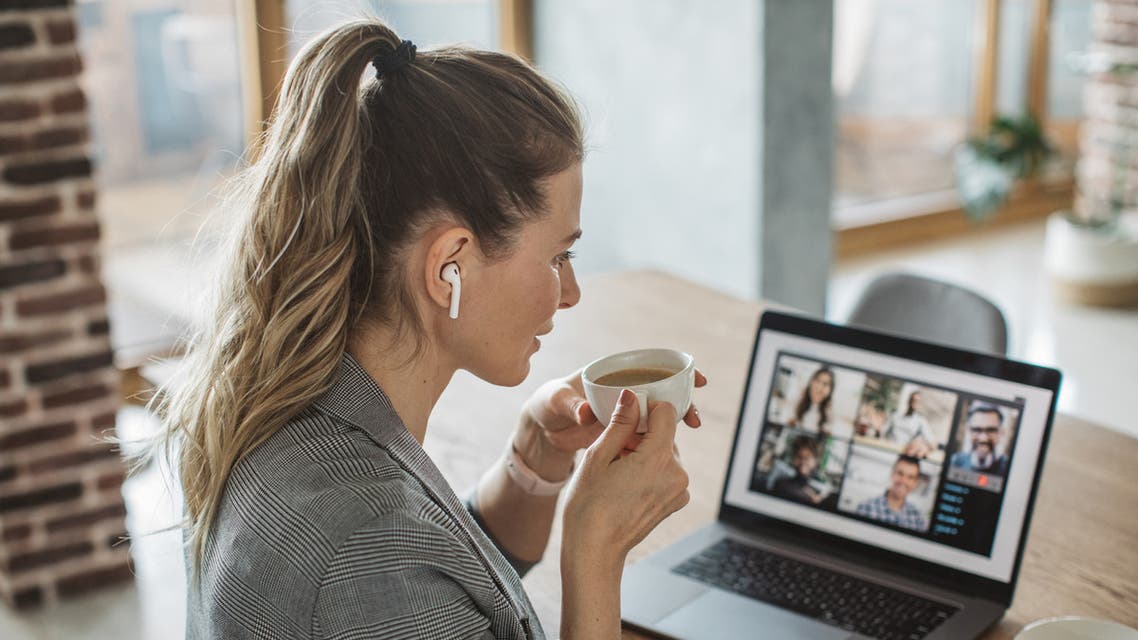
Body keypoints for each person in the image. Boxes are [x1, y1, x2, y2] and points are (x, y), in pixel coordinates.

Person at [154, 20, 706, 640]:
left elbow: (443, 589)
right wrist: (596, 549)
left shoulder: (301, 409)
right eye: (558, 257)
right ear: (450, 267)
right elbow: (388, 573)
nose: (571, 292)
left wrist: (537, 458)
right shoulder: (365, 548)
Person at [855, 455, 927, 531]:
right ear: (892, 474)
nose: (903, 481)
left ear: (915, 483)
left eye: (910, 477)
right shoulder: (866, 507)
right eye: (900, 473)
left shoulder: (918, 518)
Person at [950, 403, 1009, 475]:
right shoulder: (954, 462)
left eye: (991, 430)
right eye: (977, 430)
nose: (983, 438)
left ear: (1001, 432)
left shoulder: (1009, 467)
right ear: (968, 430)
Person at [771, 436, 827, 505]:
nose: (803, 462)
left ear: (815, 461)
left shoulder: (813, 490)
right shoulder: (781, 484)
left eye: (807, 458)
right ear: (793, 458)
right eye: (799, 457)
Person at [883, 390, 937, 458]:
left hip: (904, 456)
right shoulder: (896, 415)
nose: (914, 403)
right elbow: (883, 432)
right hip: (888, 451)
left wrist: (924, 449)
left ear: (920, 404)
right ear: (908, 401)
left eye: (917, 401)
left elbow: (932, 443)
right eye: (913, 400)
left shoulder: (920, 421)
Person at [786, 366, 834, 435]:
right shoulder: (795, 403)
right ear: (811, 382)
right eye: (817, 381)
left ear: (830, 390)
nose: (819, 388)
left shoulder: (831, 414)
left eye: (825, 384)